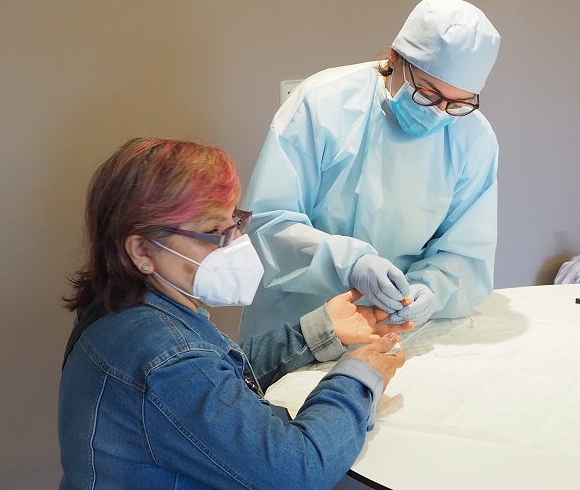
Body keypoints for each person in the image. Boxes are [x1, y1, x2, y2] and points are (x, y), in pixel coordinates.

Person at [58, 137, 411, 490]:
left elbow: (220, 378)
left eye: (234, 220)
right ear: (141, 250)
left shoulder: (122, 308)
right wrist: (359, 377)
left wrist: (318, 331)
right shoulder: (165, 358)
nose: (236, 241)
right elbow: (297, 471)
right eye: (213, 231)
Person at [239, 0, 502, 340]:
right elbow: (269, 224)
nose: (439, 112)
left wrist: (433, 288)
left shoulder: (473, 137)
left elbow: (466, 250)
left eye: (457, 103)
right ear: (394, 59)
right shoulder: (322, 104)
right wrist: (351, 265)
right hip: (298, 329)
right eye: (426, 93)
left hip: (397, 329)